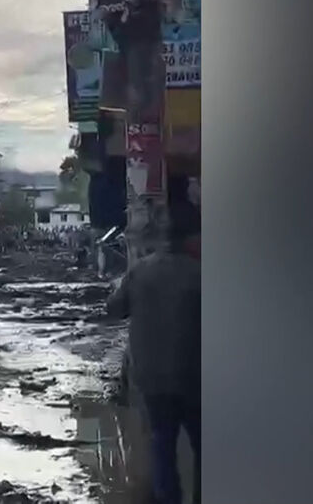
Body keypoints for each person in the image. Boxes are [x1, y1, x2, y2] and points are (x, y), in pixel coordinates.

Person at [106, 213, 201, 504]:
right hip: (192, 375)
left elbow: (114, 309)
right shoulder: (199, 274)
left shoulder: (139, 272)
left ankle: (168, 498)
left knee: (162, 441)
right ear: (190, 240)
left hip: (151, 374)